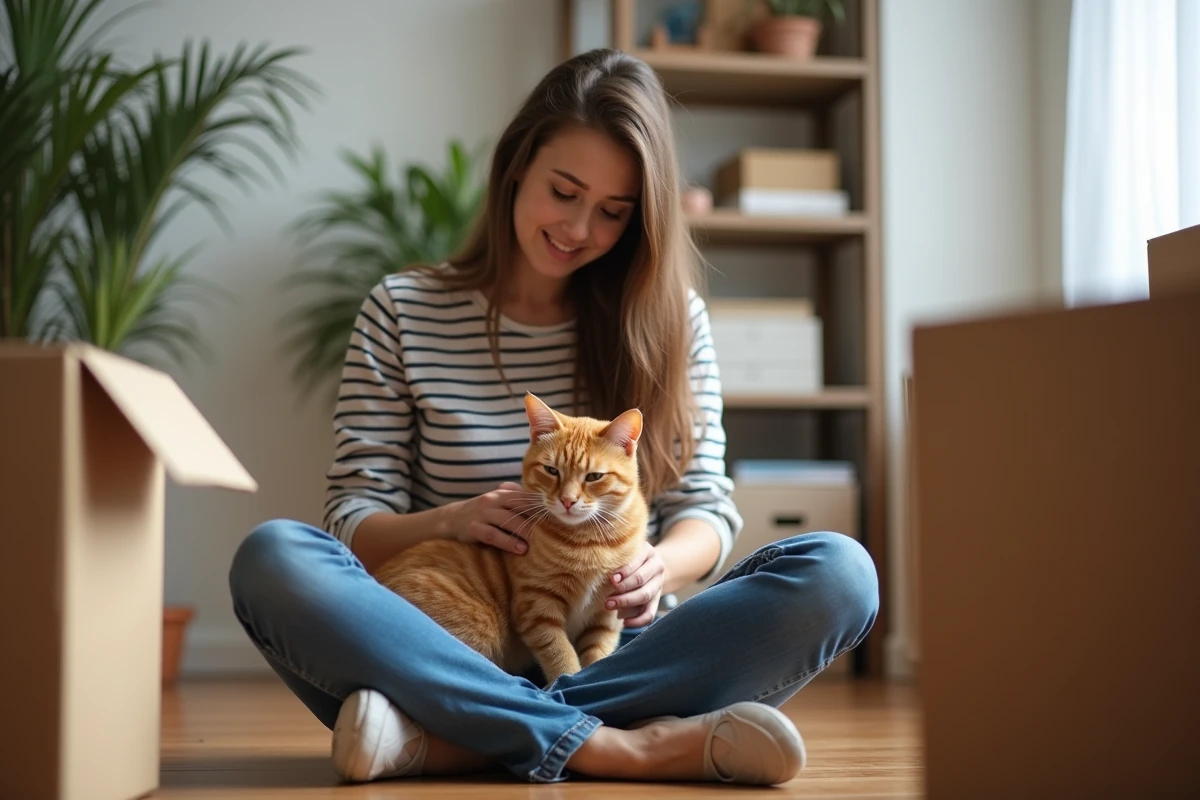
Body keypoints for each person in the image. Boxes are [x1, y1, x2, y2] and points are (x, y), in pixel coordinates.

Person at [228, 47, 879, 786]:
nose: (578, 228)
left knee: (841, 574)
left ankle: (454, 741)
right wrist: (450, 521)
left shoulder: (669, 323)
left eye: (612, 212)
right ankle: (621, 744)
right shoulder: (401, 310)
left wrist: (659, 563)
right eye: (563, 191)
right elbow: (353, 517)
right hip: (442, 651)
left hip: (616, 650)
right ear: (517, 168)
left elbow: (708, 508)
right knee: (274, 558)